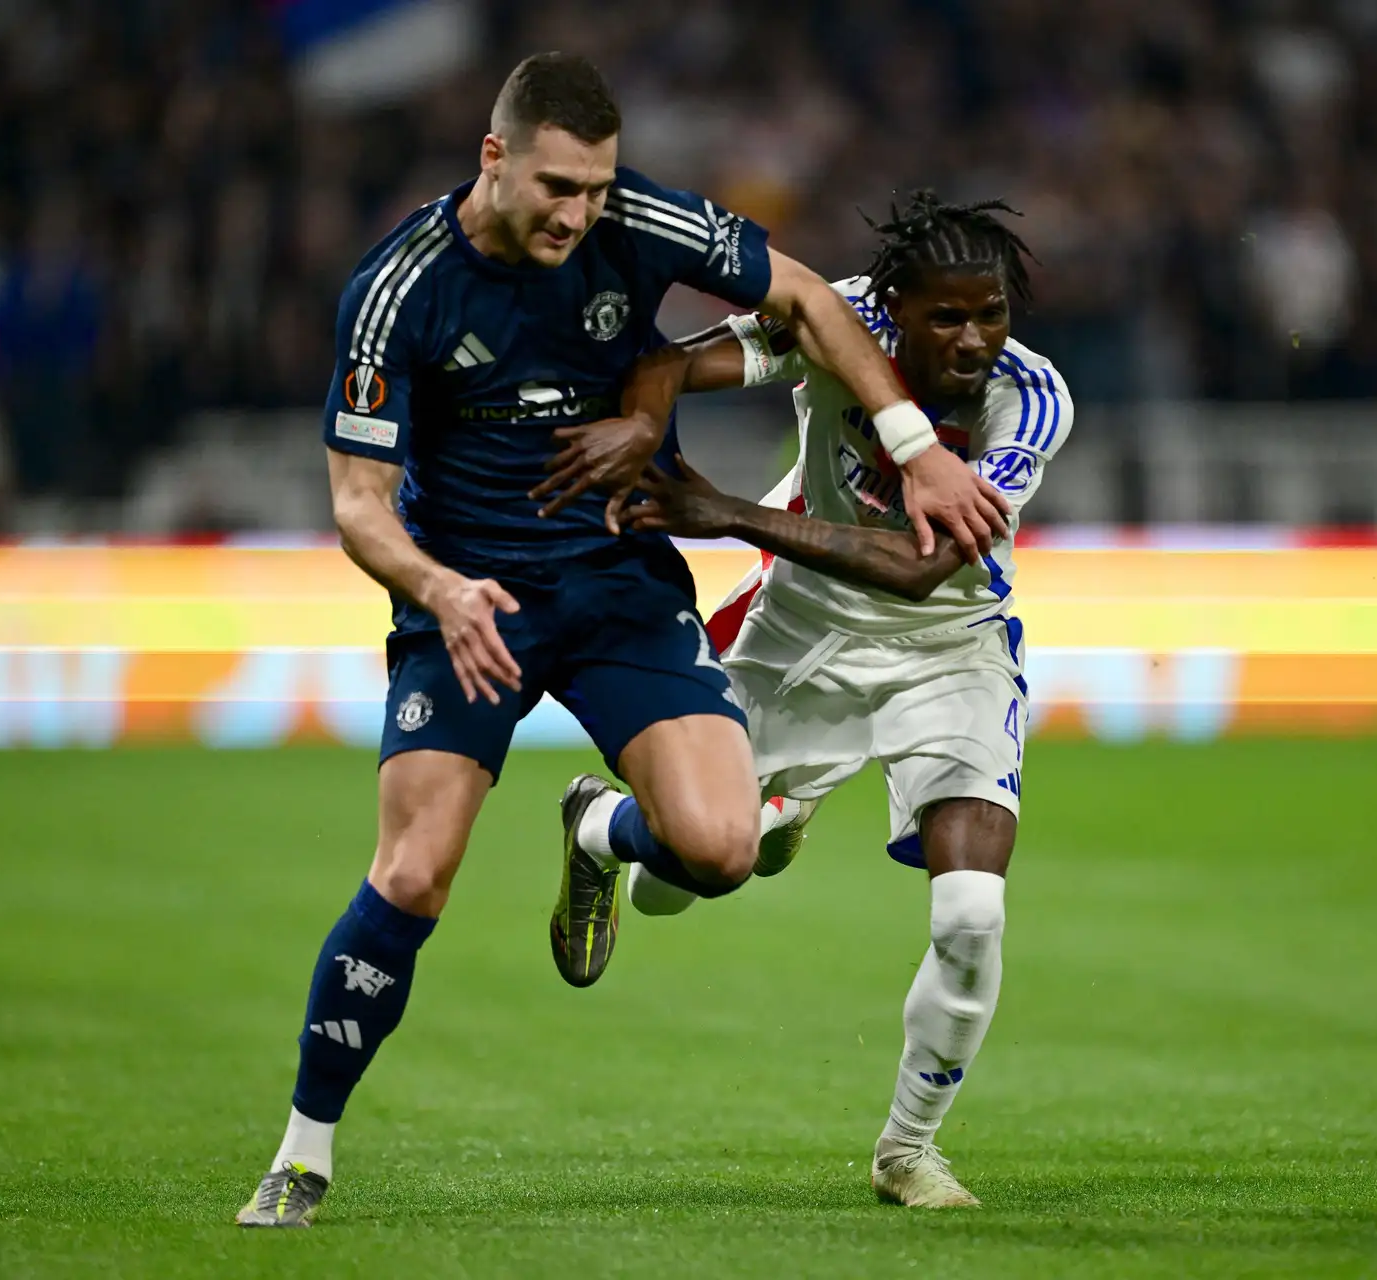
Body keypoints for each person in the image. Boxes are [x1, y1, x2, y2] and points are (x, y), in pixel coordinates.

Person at [237, 55, 1009, 1228]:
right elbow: (357, 504)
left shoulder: (639, 219)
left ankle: (600, 828)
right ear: (494, 157)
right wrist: (439, 589)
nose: (579, 213)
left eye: (596, 187)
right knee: (415, 869)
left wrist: (916, 449)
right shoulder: (399, 287)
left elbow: (806, 296)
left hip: (616, 581)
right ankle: (303, 1151)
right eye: (557, 187)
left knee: (723, 847)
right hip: (472, 602)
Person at [558, 193, 1072, 1207]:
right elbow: (666, 363)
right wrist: (645, 437)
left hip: (950, 654)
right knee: (684, 879)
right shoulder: (834, 320)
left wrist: (722, 510)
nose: (974, 339)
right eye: (947, 317)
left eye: (992, 313)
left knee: (973, 911)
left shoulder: (1030, 398)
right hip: (797, 635)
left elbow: (920, 569)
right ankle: (599, 828)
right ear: (893, 306)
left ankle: (907, 1150)